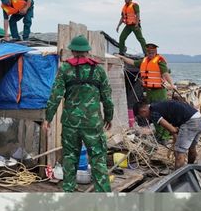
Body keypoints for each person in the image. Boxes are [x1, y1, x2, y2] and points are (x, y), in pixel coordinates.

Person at [43, 35, 113, 192]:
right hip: (93, 124)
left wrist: (48, 118)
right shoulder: (99, 71)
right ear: (87, 51)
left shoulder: (65, 69)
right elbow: (107, 98)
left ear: (73, 51)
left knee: (69, 158)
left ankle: (68, 192)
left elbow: (55, 95)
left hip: (70, 124)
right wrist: (109, 116)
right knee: (97, 159)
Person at [116, 43, 176, 140]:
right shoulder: (144, 60)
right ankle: (158, 134)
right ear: (146, 52)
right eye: (148, 51)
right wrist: (122, 57)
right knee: (152, 113)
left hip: (159, 91)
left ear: (155, 52)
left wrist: (172, 84)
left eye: (152, 51)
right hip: (149, 91)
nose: (150, 53)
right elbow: (132, 62)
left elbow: (165, 73)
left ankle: (164, 137)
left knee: (161, 113)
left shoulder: (159, 61)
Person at [133, 99, 201, 169]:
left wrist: (177, 135)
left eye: (142, 116)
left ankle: (178, 177)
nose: (145, 118)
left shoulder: (153, 113)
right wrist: (176, 137)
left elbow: (172, 129)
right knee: (192, 147)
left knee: (179, 152)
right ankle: (190, 168)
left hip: (190, 122)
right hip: (199, 118)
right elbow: (173, 128)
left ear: (143, 111)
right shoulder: (158, 105)